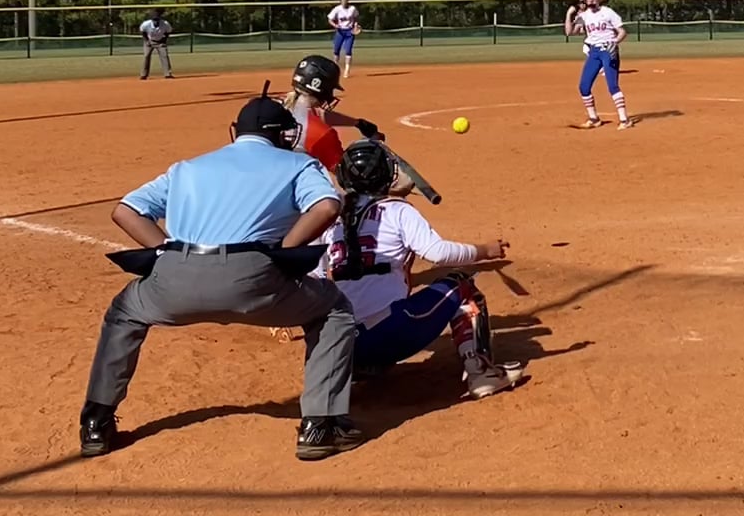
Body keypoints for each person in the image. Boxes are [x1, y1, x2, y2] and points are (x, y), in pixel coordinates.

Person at [77, 93, 363, 462]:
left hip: (175, 277)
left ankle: (96, 422)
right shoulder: (299, 164)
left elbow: (125, 211)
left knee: (125, 313)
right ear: (282, 134)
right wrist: (283, 252)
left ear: (236, 131)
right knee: (333, 310)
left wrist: (165, 252)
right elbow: (326, 206)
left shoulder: (187, 168)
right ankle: (320, 426)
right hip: (254, 279)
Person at [322, 139, 526, 399]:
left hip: (338, 348)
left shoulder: (329, 217)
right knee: (461, 285)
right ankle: (481, 372)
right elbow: (437, 253)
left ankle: (359, 369)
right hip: (388, 333)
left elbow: (314, 277)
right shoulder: (397, 210)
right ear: (387, 173)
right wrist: (484, 251)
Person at [270, 54, 385, 344]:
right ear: (321, 90)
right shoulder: (320, 133)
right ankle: (306, 305)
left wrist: (357, 122)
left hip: (260, 192)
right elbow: (344, 172)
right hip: (295, 201)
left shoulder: (275, 109)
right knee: (326, 220)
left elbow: (315, 113)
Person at [571, 0, 633, 129]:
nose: (591, 0)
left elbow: (622, 32)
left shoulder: (608, 12)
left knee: (612, 86)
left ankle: (625, 120)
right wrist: (569, 14)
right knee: (584, 87)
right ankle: (594, 119)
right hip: (594, 52)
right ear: (585, 0)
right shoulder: (583, 15)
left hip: (608, 51)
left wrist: (614, 42)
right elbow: (569, 32)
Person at [328, 0, 361, 77]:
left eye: (345, 0)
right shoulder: (337, 9)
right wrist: (335, 25)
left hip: (349, 32)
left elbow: (356, 17)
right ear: (340, 1)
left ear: (348, 1)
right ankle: (334, 69)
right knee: (336, 50)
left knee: (348, 50)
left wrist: (356, 25)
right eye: (342, 0)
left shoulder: (352, 9)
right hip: (340, 31)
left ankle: (347, 70)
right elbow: (330, 19)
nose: (344, 2)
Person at [138, 9, 173, 80]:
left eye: (157, 20)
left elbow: (168, 32)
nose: (156, 21)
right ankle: (144, 74)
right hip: (149, 41)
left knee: (164, 56)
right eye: (154, 20)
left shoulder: (165, 24)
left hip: (160, 41)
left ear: (160, 19)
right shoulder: (146, 24)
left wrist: (164, 40)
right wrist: (147, 41)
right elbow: (142, 31)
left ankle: (168, 74)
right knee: (146, 56)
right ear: (151, 20)